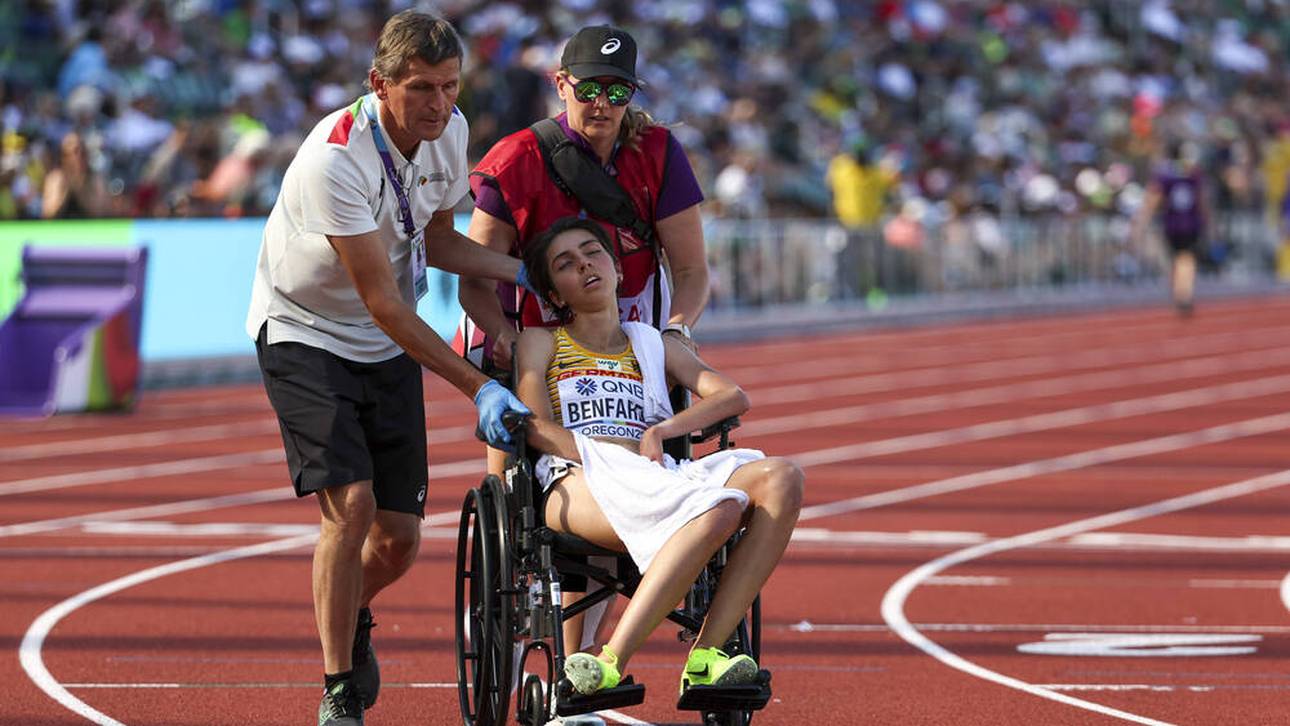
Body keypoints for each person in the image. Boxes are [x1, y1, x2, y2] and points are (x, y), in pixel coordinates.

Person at [243, 12, 532, 726]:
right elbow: (384, 302)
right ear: (380, 83)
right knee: (352, 506)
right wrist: (479, 386)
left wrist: (524, 272)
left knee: (399, 540)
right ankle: (339, 686)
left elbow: (437, 241)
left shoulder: (450, 130)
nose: (439, 103)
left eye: (450, 86)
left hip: (382, 341)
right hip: (306, 333)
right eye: (421, 88)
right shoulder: (335, 158)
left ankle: (348, 611)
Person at [455, 24, 713, 667]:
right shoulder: (516, 158)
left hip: (625, 341)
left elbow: (691, 270)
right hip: (528, 334)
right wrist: (511, 343)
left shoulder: (658, 152)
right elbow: (474, 282)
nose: (602, 103)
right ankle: (505, 590)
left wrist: (675, 334)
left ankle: (583, 657)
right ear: (561, 84)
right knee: (516, 467)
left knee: (622, 464)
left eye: (618, 91)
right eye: (589, 88)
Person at [513, 217, 804, 699]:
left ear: (617, 269)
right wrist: (609, 455)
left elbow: (731, 396)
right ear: (554, 295)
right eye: (566, 264)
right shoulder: (540, 341)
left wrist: (662, 430)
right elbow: (535, 427)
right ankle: (610, 661)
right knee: (718, 509)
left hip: (654, 472)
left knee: (783, 477)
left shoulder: (652, 342)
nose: (584, 265)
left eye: (592, 252)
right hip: (578, 475)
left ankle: (707, 655)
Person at [1132, 140, 1208, 316]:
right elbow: (1201, 198)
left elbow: (1154, 198)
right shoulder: (1192, 173)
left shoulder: (1165, 174)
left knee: (1178, 259)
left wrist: (1142, 220)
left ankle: (1180, 292)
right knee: (1186, 259)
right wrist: (1207, 219)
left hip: (1172, 223)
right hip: (1189, 222)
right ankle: (1183, 292)